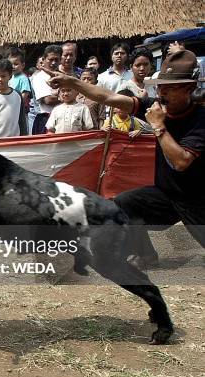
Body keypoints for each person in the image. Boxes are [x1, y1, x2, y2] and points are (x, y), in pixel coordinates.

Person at [46, 49, 204, 270]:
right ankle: (146, 255)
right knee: (125, 202)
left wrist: (158, 126)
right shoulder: (155, 106)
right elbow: (108, 97)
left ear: (190, 88)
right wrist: (72, 81)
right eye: (160, 86)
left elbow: (181, 161)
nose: (162, 93)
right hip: (168, 194)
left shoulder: (199, 119)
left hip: (197, 198)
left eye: (170, 88)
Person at [30, 45, 62, 134]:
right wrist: (68, 97)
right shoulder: (39, 77)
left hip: (62, 118)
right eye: (51, 59)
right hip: (46, 119)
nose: (53, 63)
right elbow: (48, 100)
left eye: (56, 60)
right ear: (43, 60)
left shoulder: (62, 76)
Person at [7, 47, 33, 114]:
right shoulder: (12, 77)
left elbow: (24, 95)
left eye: (16, 64)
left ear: (23, 65)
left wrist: (15, 106)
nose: (13, 67)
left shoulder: (23, 78)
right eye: (11, 64)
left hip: (18, 110)